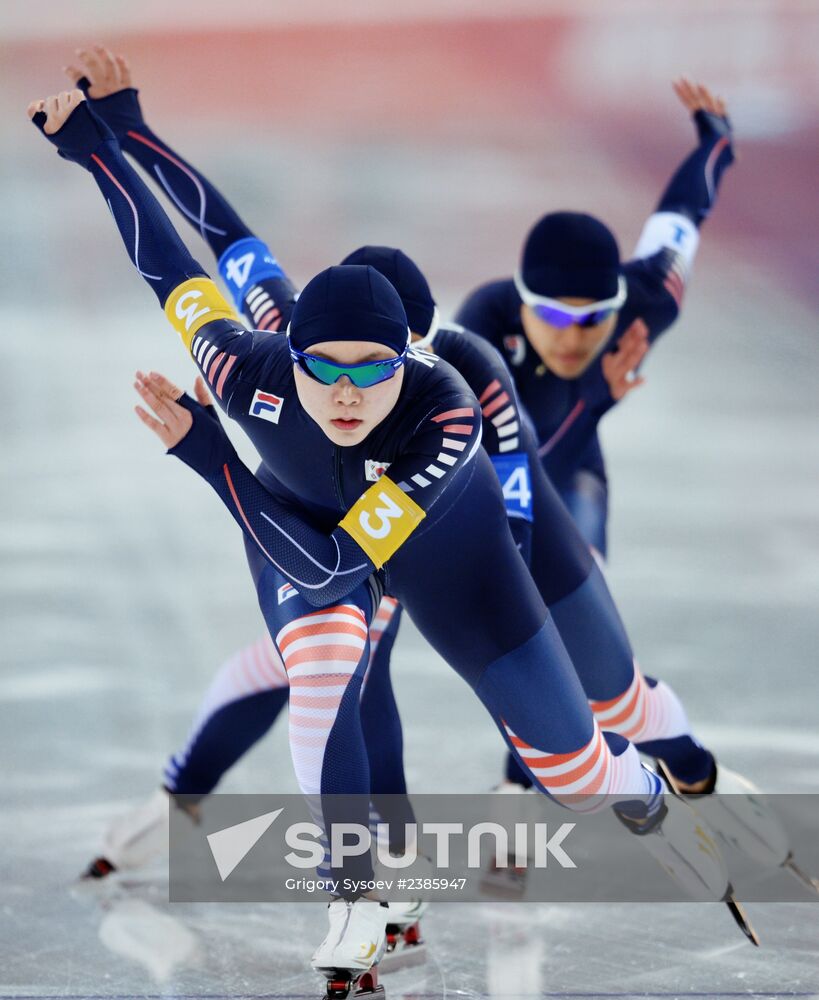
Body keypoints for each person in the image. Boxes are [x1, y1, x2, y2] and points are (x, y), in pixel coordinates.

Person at [29, 87, 736, 981]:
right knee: (323, 667)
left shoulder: (445, 408)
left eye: (380, 371)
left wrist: (213, 461)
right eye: (327, 370)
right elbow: (191, 262)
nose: (350, 396)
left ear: (415, 354)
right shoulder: (251, 356)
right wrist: (104, 141)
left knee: (578, 773)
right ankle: (350, 890)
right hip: (312, 533)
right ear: (291, 350)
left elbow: (361, 550)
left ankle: (638, 780)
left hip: (444, 557)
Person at [454, 79, 735, 562]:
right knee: (501, 574)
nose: (573, 337)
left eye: (594, 318)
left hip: (575, 458)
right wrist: (595, 402)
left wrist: (717, 144)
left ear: (619, 306)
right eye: (552, 314)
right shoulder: (483, 325)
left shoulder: (648, 302)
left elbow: (683, 212)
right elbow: (500, 478)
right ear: (522, 303)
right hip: (488, 471)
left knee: (585, 588)